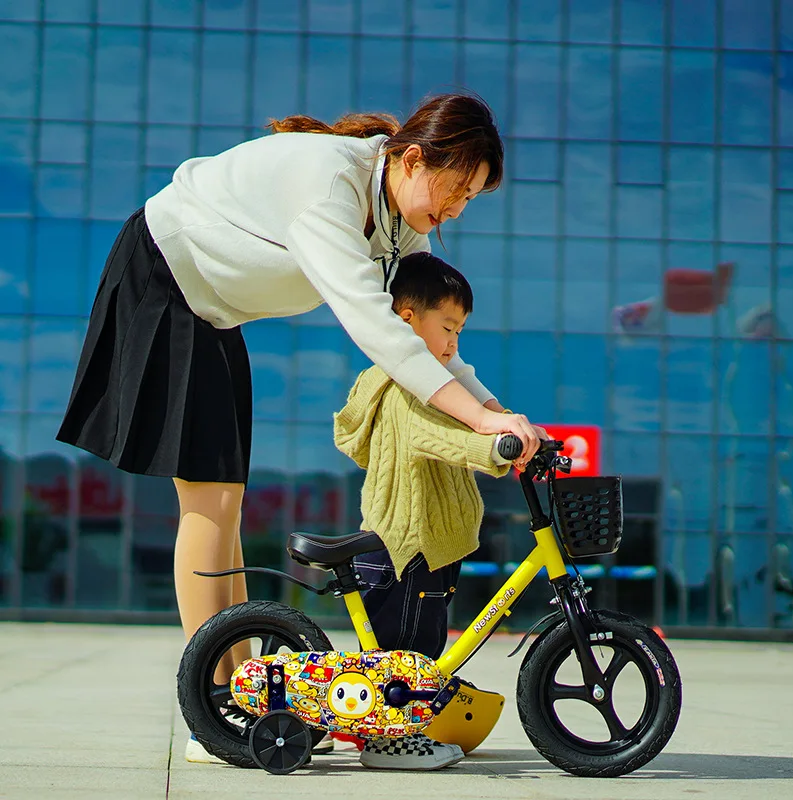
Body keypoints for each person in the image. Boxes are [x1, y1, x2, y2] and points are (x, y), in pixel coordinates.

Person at [55, 92, 545, 763]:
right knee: (208, 502)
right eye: (457, 188)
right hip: (165, 282)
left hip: (214, 314)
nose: (457, 209)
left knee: (224, 501)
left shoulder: (406, 229)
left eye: (472, 199)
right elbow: (379, 332)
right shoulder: (328, 182)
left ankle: (245, 697)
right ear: (411, 160)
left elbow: (435, 346)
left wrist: (501, 414)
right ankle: (215, 713)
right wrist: (483, 420)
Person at [333, 252, 527, 770]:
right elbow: (439, 437)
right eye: (447, 327)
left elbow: (466, 417)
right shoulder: (403, 387)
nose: (453, 344)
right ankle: (389, 742)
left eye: (460, 333)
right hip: (407, 547)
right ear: (406, 319)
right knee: (406, 654)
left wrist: (516, 428)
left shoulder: (427, 384)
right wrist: (495, 449)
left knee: (414, 647)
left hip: (423, 546)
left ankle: (381, 724)